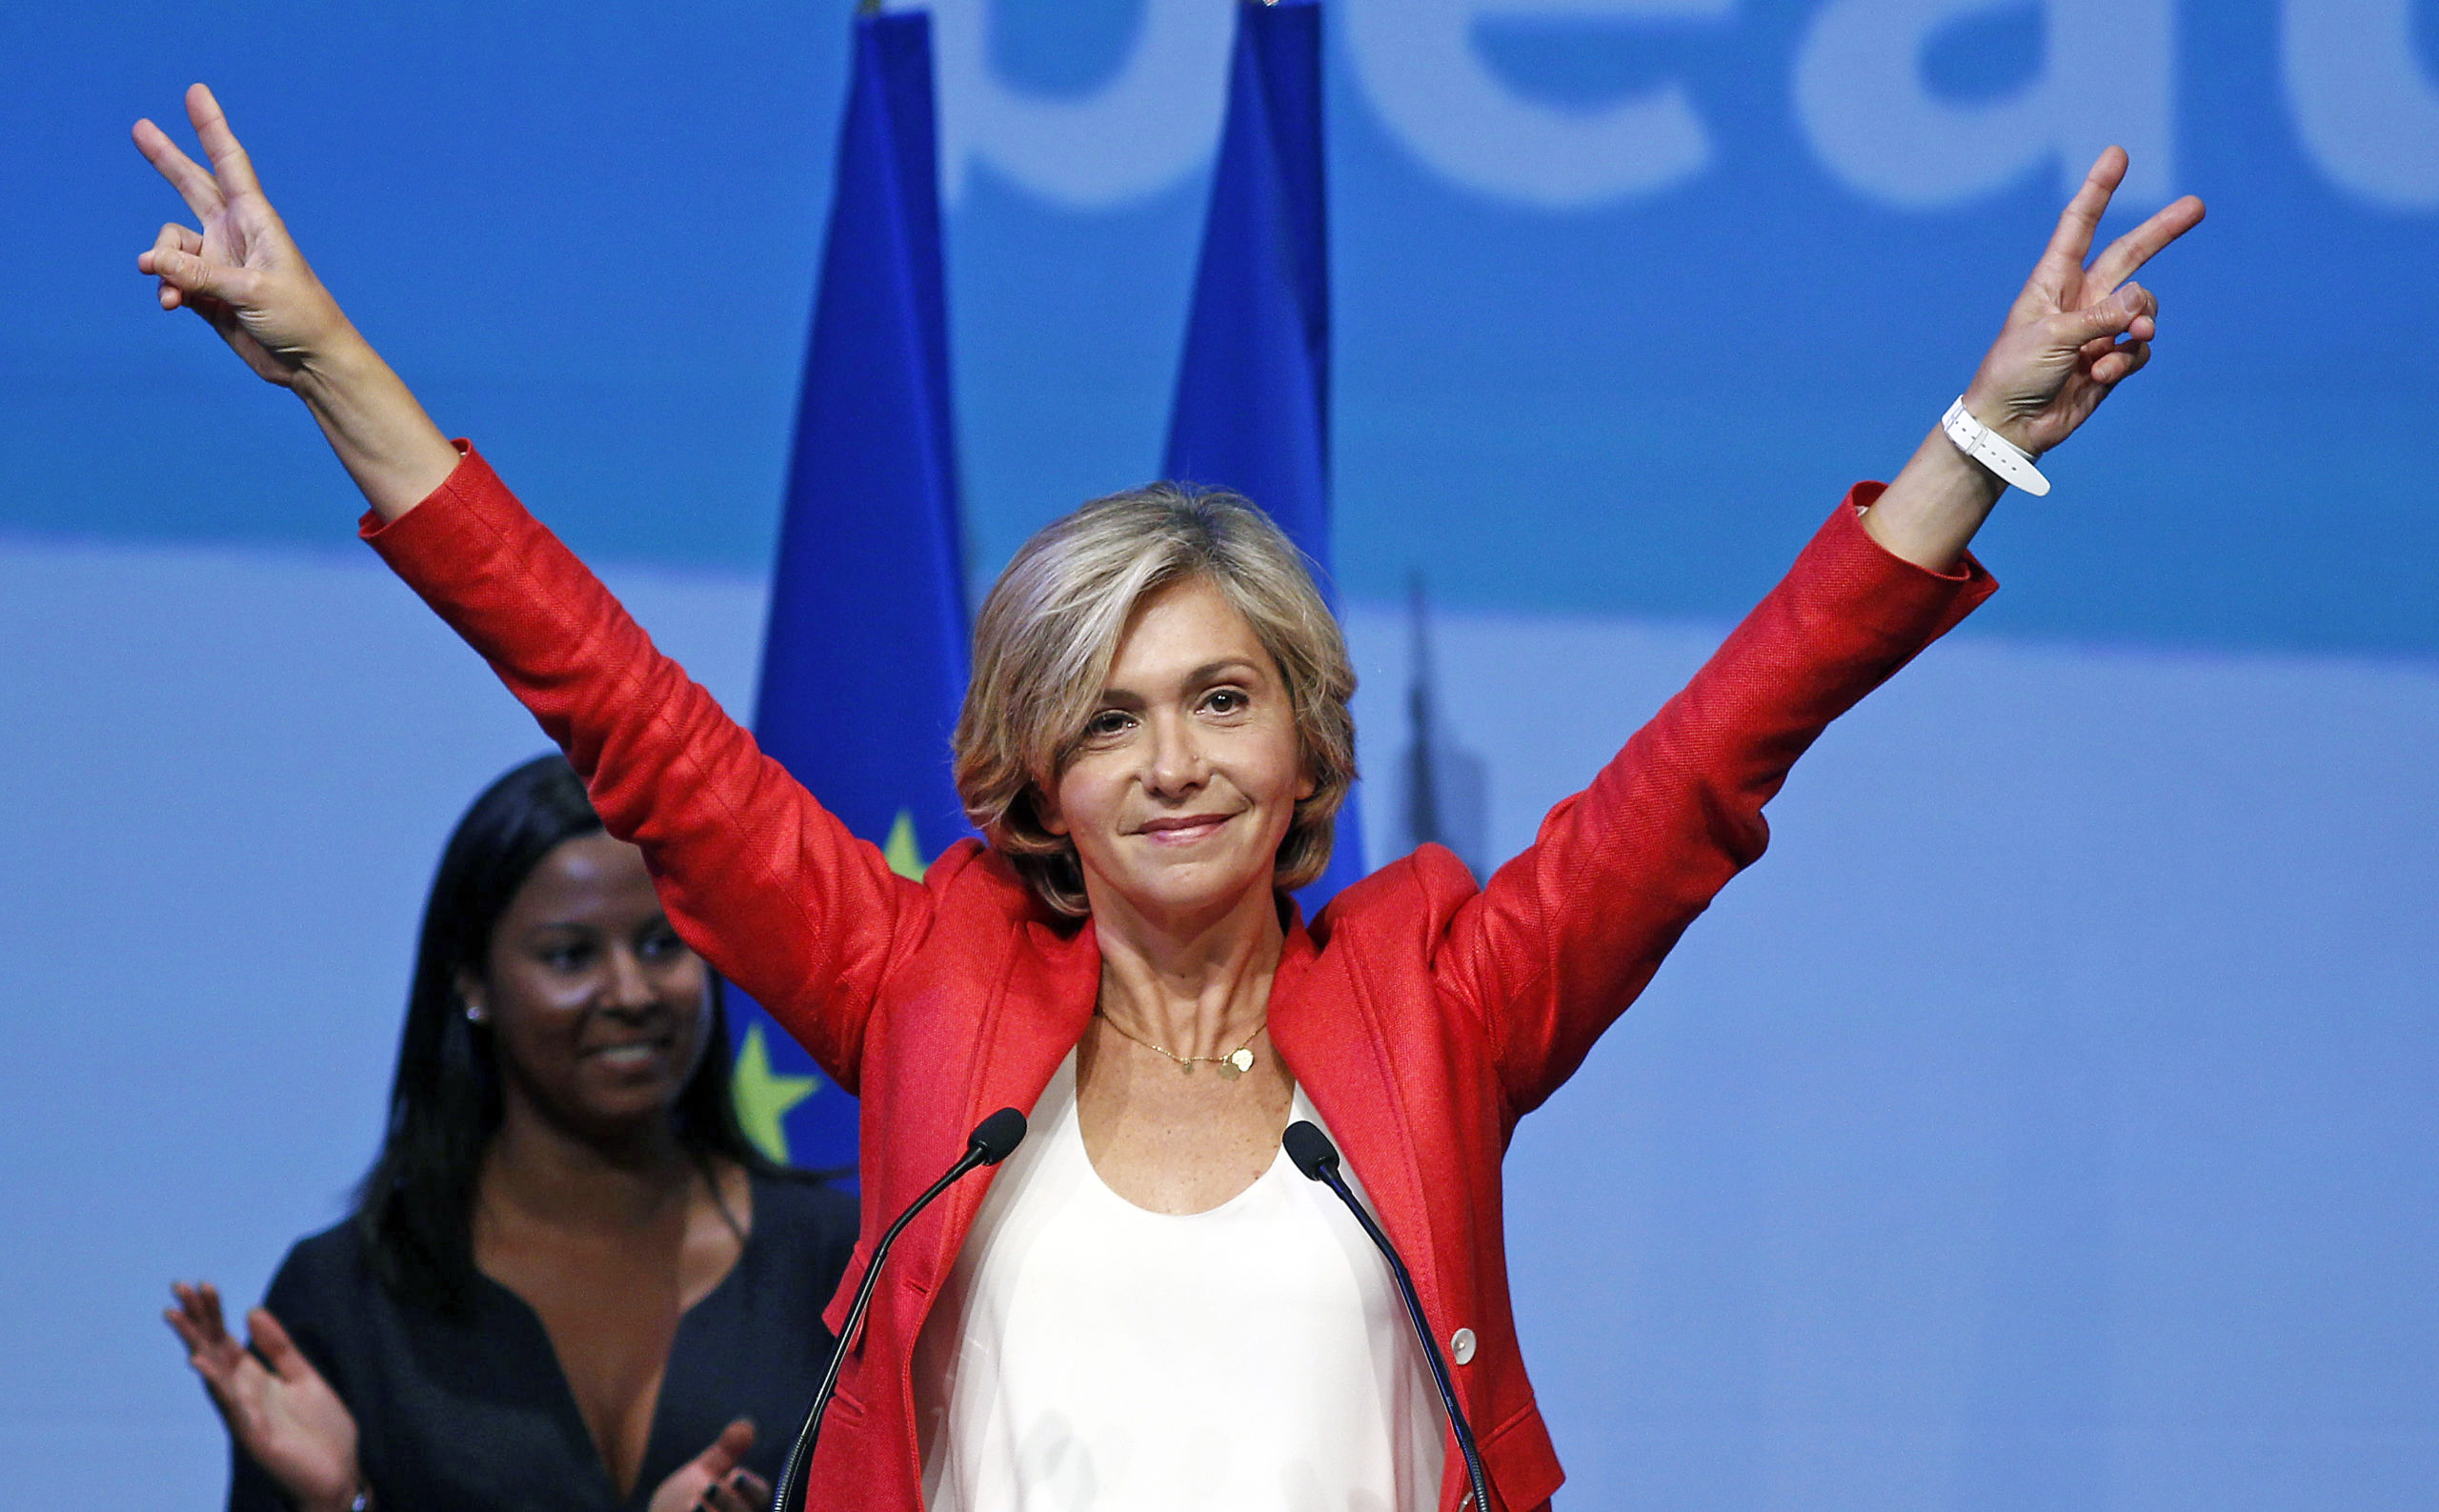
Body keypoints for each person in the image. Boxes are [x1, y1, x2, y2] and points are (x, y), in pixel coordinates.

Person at [133, 83, 2203, 1512]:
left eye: (1222, 699)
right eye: (1110, 719)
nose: (1177, 761)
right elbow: (614, 702)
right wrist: (326, 363)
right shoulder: (920, 981)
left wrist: (1979, 437)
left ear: (1305, 739)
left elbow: (1717, 751)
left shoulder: (1439, 994)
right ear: (1036, 775)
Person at [163, 755, 858, 1512]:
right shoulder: (347, 1294)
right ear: (473, 980)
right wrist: (328, 1505)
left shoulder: (841, 1260)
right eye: (570, 955)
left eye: (663, 944)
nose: (631, 992)